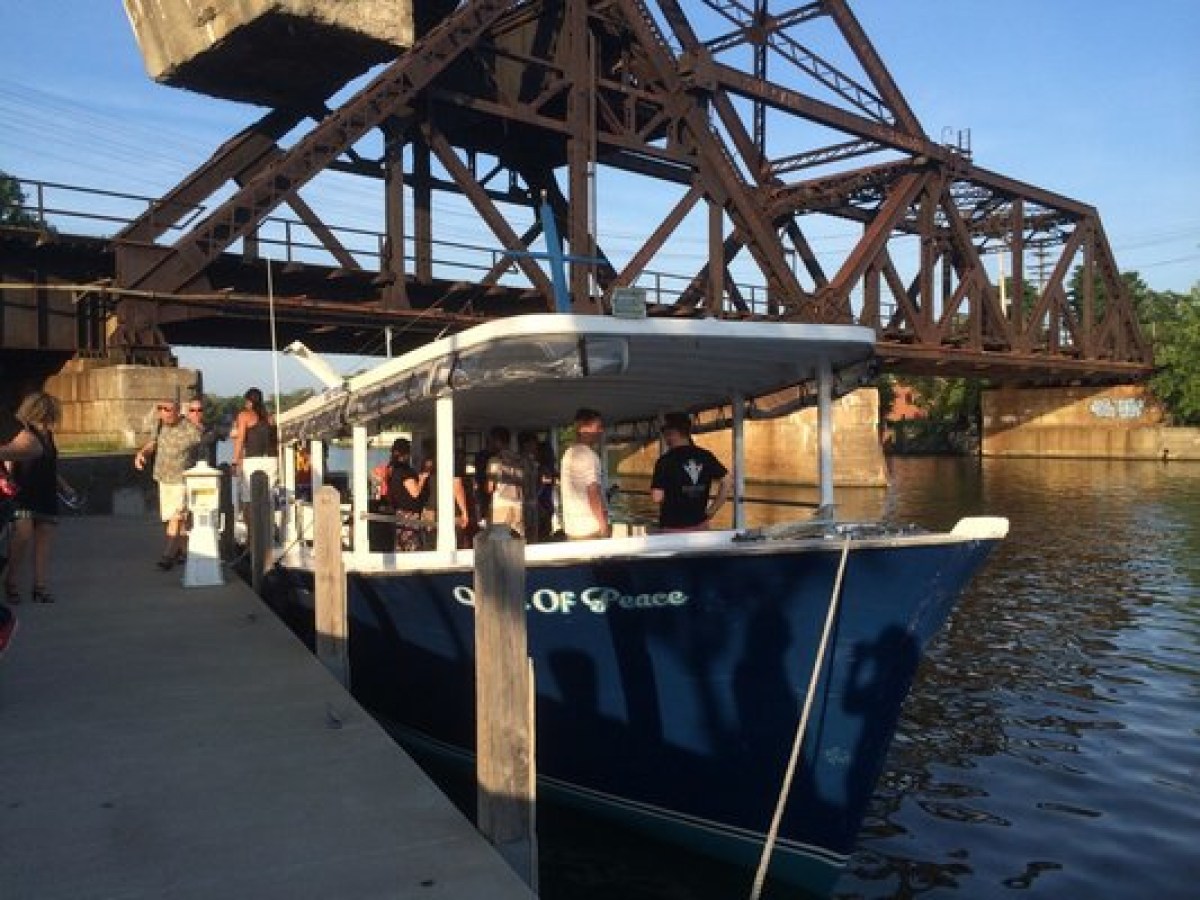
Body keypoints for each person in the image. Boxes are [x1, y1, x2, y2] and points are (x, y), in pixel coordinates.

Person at [3, 392, 75, 604]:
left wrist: (64, 486)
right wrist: (7, 479)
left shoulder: (49, 436)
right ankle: (11, 581)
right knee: (23, 535)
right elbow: (11, 459)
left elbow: (50, 467)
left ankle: (40, 586)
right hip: (23, 495)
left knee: (44, 542)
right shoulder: (25, 434)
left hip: (45, 494)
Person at [135, 397, 202, 570]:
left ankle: (168, 556)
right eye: (161, 409)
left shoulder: (190, 428)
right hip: (163, 477)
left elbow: (200, 445)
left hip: (181, 479)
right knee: (171, 519)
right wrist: (142, 454)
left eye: (167, 409)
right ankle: (184, 551)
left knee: (176, 516)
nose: (164, 412)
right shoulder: (159, 425)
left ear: (177, 411)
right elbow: (152, 443)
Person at [650, 412, 729, 532]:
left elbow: (657, 497)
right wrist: (711, 511)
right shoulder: (706, 456)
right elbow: (727, 481)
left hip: (672, 527)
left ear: (672, 433)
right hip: (700, 525)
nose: (664, 437)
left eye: (664, 432)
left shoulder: (665, 461)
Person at [560, 408, 609, 540]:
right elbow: (593, 493)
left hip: (572, 528)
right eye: (598, 427)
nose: (601, 431)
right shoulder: (589, 456)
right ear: (583, 428)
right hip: (590, 529)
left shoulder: (567, 454)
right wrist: (603, 525)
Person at [232, 387, 277, 514]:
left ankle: (252, 531)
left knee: (248, 499)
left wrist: (235, 462)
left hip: (253, 460)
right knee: (268, 498)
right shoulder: (270, 418)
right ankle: (268, 528)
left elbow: (240, 439)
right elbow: (274, 441)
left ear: (249, 402)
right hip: (271, 460)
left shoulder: (244, 415)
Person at [384, 438, 432, 551]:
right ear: (406, 453)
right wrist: (422, 478)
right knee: (412, 546)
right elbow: (415, 493)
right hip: (409, 514)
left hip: (399, 512)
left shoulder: (392, 470)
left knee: (400, 546)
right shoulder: (404, 470)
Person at [484, 426, 528, 537]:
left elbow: (490, 487)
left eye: (491, 441)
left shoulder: (494, 460)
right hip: (517, 503)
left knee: (500, 540)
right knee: (517, 538)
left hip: (501, 503)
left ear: (498, 441)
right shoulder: (520, 459)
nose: (490, 444)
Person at [185, 397, 220, 466]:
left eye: (199, 410)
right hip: (189, 472)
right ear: (188, 412)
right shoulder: (181, 430)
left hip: (209, 472)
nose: (196, 413)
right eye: (192, 410)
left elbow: (233, 433)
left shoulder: (212, 429)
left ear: (203, 412)